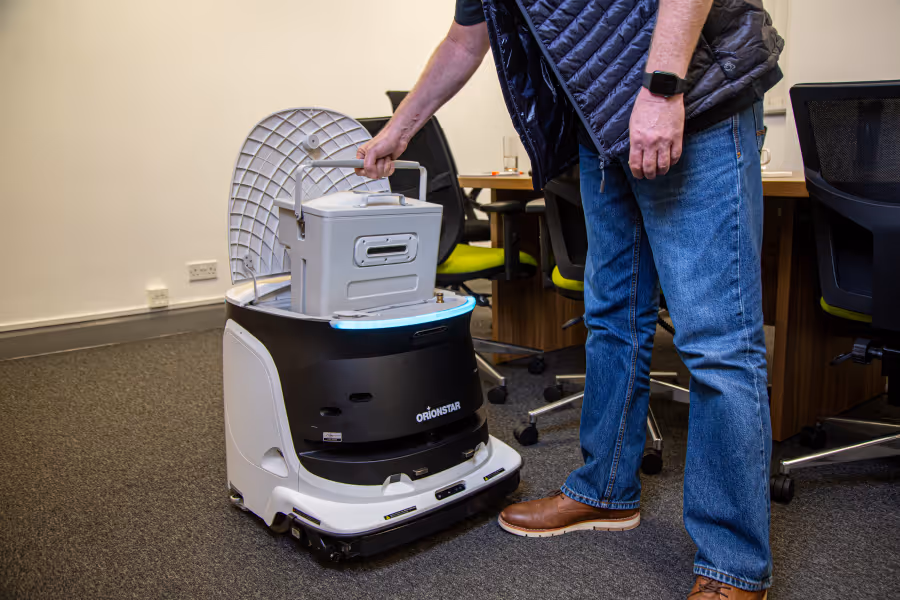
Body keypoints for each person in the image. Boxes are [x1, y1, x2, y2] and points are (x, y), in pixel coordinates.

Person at [355, 1, 783, 598]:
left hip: (692, 98)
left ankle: (734, 564)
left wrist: (662, 88)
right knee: (611, 318)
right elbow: (463, 42)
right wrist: (399, 132)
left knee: (716, 341)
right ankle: (603, 491)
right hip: (601, 124)